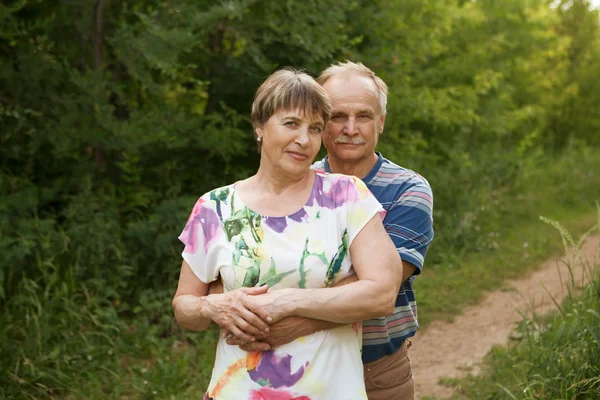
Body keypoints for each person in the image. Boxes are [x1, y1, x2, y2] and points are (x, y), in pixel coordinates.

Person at [172, 68, 404, 400]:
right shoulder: (216, 208)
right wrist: (213, 307)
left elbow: (382, 294)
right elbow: (184, 308)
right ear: (259, 125)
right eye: (291, 124)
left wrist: (287, 301)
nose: (304, 140)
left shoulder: (347, 196)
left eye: (315, 129)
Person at [227, 61, 434, 400]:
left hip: (375, 370)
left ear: (380, 122)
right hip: (292, 367)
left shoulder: (408, 189)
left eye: (364, 116)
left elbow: (384, 283)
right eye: (338, 116)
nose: (350, 128)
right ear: (321, 121)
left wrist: (291, 322)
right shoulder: (294, 182)